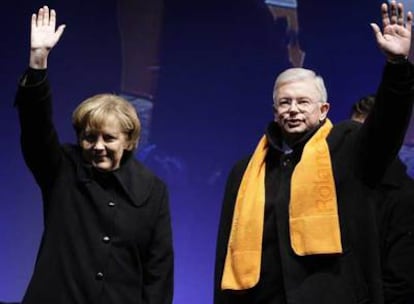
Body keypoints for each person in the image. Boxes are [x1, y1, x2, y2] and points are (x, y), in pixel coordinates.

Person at [214, 1, 414, 303]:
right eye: (285, 103)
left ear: (323, 110)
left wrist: (397, 67)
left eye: (302, 102)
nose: (293, 110)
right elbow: (225, 255)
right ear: (274, 110)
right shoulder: (246, 171)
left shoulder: (347, 149)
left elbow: (386, 129)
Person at [15, 6, 173, 304]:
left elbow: (158, 272)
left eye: (109, 138)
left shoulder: (152, 190)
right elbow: (35, 127)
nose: (98, 146)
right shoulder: (62, 168)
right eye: (89, 137)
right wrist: (38, 62)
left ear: (129, 141)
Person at [350, 96, 414, 303]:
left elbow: (401, 283)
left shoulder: (405, 198)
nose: (359, 142)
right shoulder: (338, 188)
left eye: (370, 135)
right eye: (355, 133)